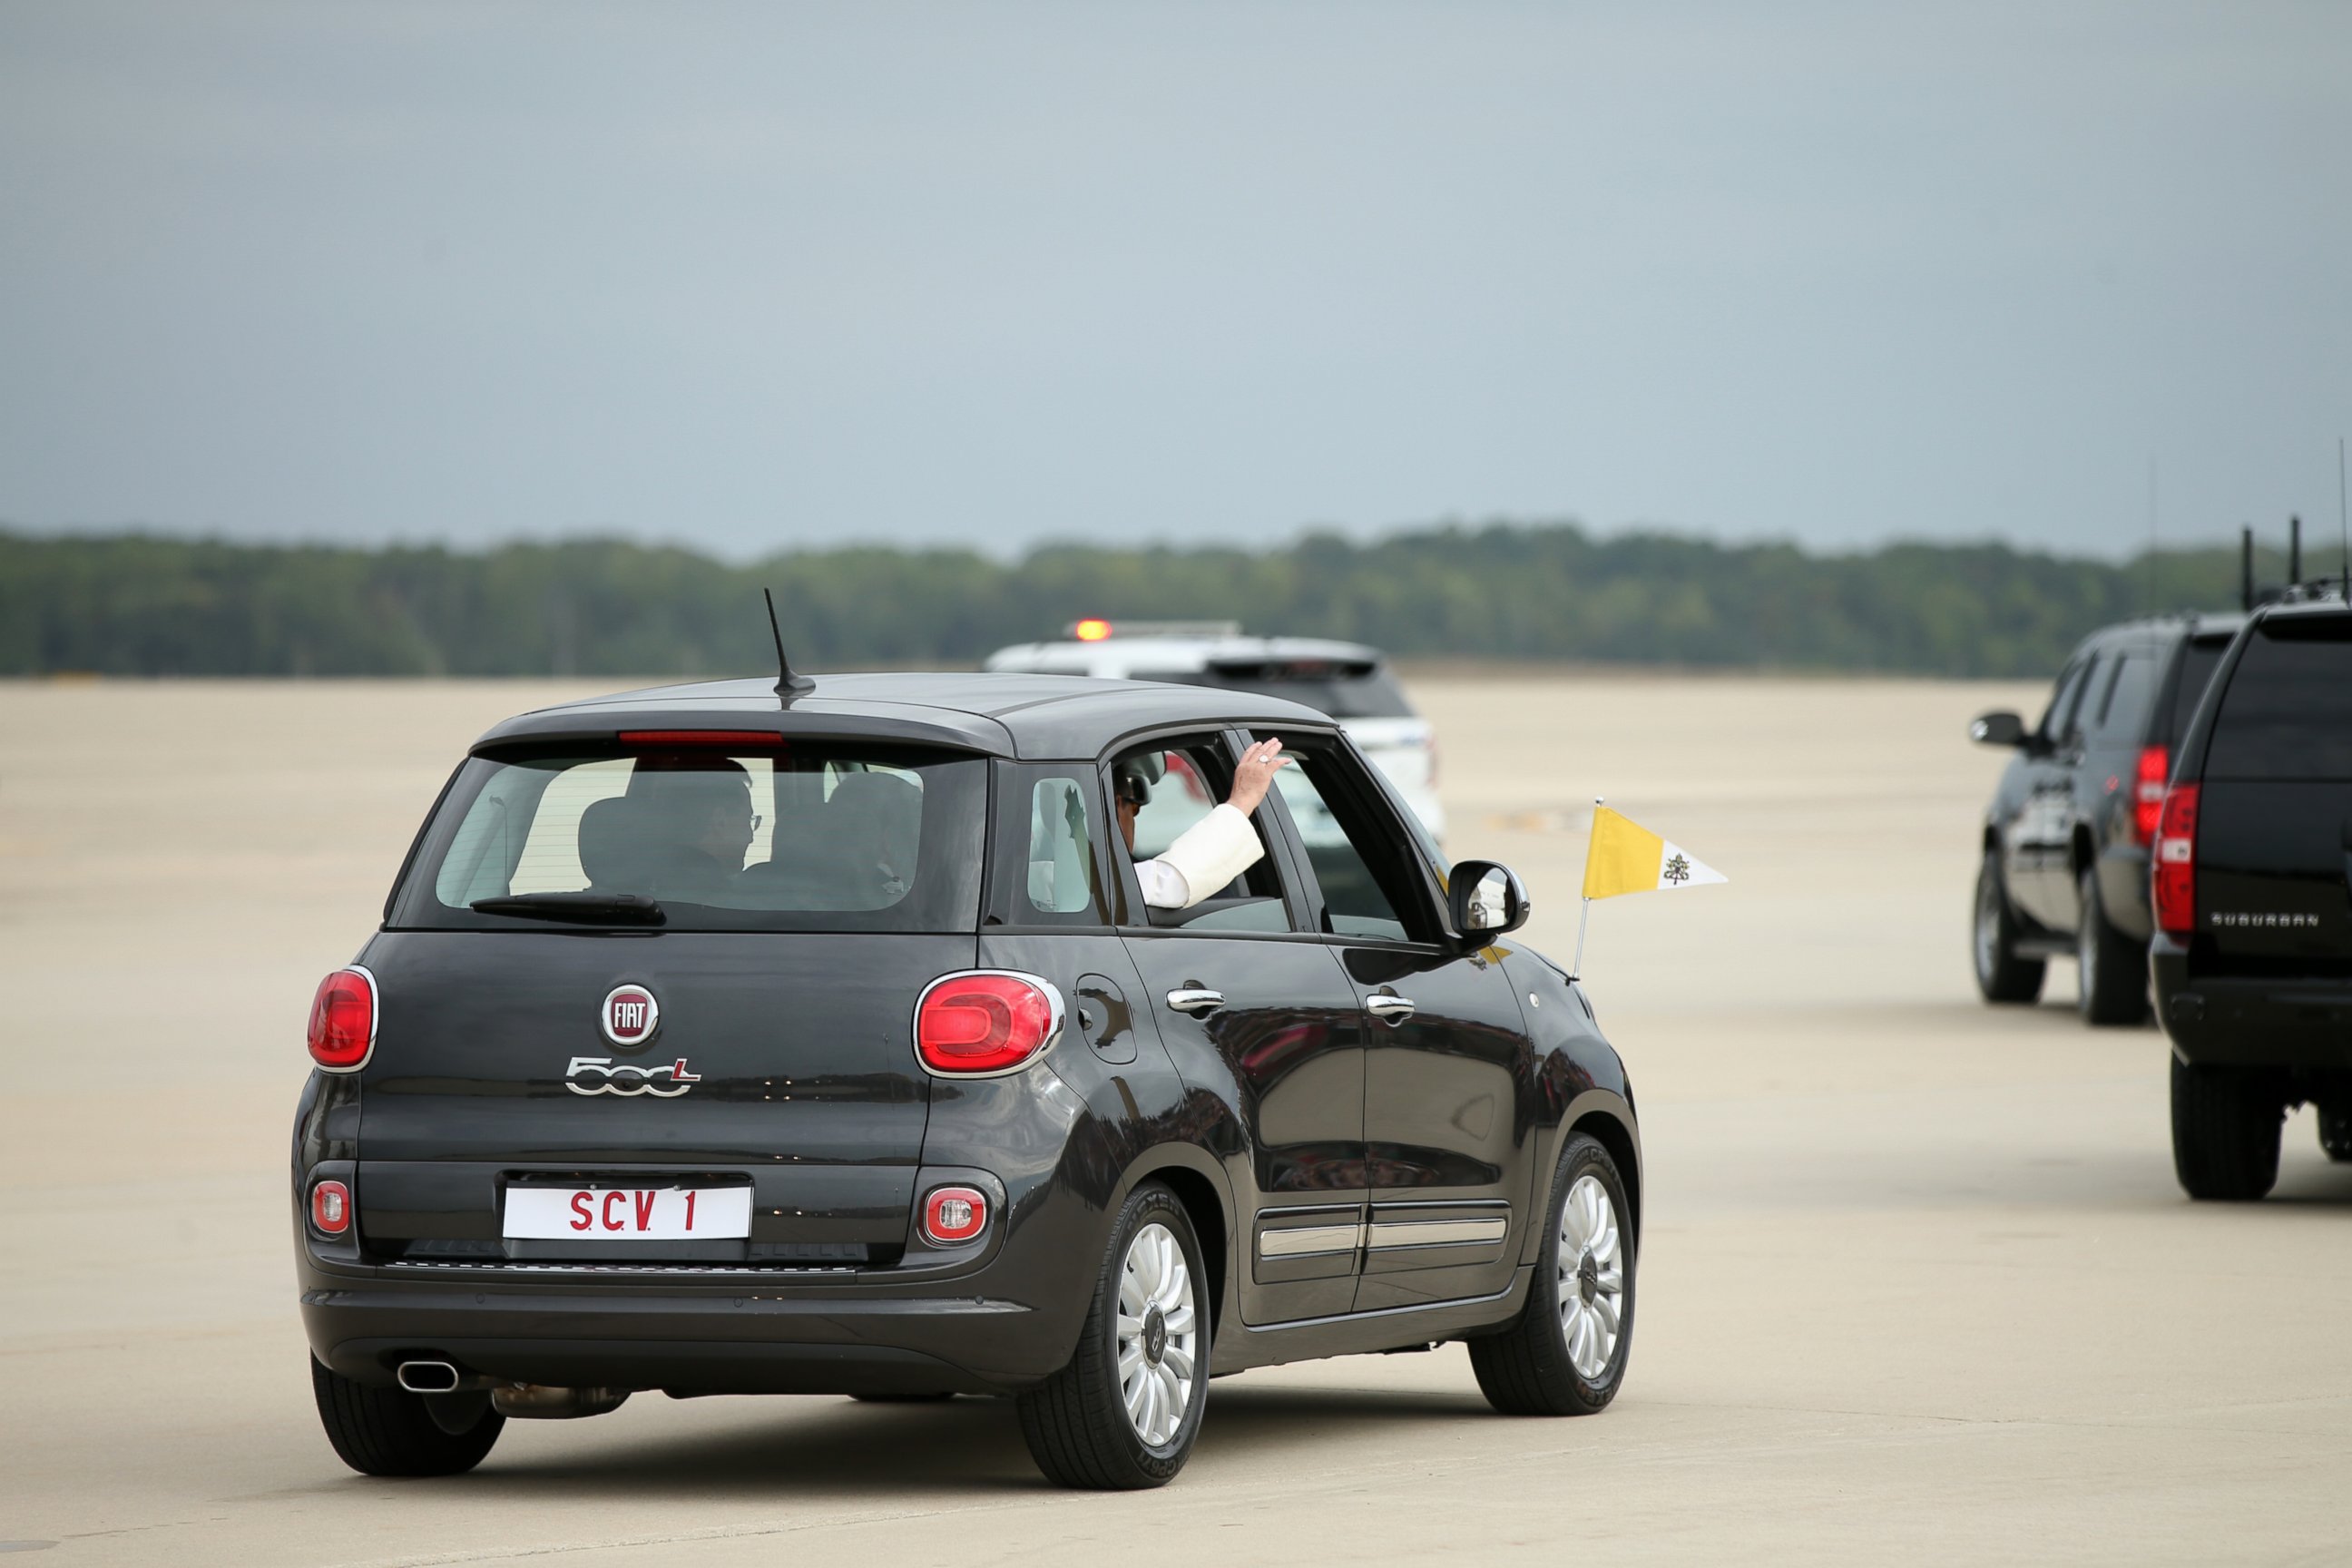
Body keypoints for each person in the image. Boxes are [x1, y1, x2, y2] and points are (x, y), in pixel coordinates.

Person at [1117, 737, 1291, 909]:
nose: (1134, 819)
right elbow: (1168, 884)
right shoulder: (1099, 884)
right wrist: (1244, 798)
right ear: (1117, 805)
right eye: (1134, 806)